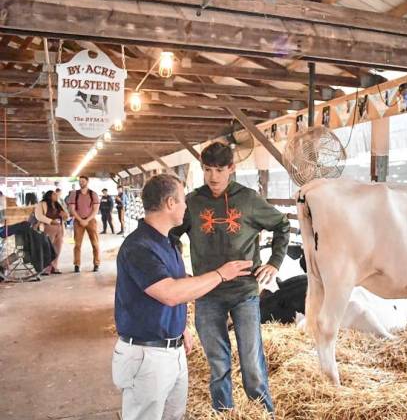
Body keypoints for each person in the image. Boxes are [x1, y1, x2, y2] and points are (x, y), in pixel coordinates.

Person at [112, 174, 252, 420]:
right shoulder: (139, 246)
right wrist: (221, 274)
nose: (186, 206)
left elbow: (174, 288)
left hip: (171, 349)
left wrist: (180, 326)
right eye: (182, 200)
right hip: (147, 356)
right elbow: (170, 293)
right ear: (169, 203)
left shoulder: (168, 242)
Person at [171, 142, 290, 414]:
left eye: (219, 170)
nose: (213, 177)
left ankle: (263, 412)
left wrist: (274, 262)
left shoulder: (248, 199)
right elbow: (171, 234)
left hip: (244, 293)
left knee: (251, 361)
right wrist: (178, 270)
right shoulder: (193, 201)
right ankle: (224, 414)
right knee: (217, 363)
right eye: (207, 169)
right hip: (207, 294)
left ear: (231, 168)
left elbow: (282, 225)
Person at [66, 175, 100, 273]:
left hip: (91, 220)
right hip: (78, 220)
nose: (81, 183)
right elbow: (72, 209)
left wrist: (87, 220)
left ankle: (96, 263)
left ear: (87, 182)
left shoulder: (93, 194)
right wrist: (80, 220)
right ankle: (77, 264)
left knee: (95, 243)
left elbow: (95, 210)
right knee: (77, 244)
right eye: (80, 181)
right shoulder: (74, 194)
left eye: (83, 181)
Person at [34, 190, 68, 275]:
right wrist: (51, 221)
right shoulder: (41, 204)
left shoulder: (58, 204)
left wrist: (65, 216)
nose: (56, 196)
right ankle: (46, 268)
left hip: (59, 227)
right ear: (49, 196)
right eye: (54, 194)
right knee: (48, 248)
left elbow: (65, 215)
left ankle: (54, 267)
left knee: (57, 248)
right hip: (48, 227)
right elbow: (39, 216)